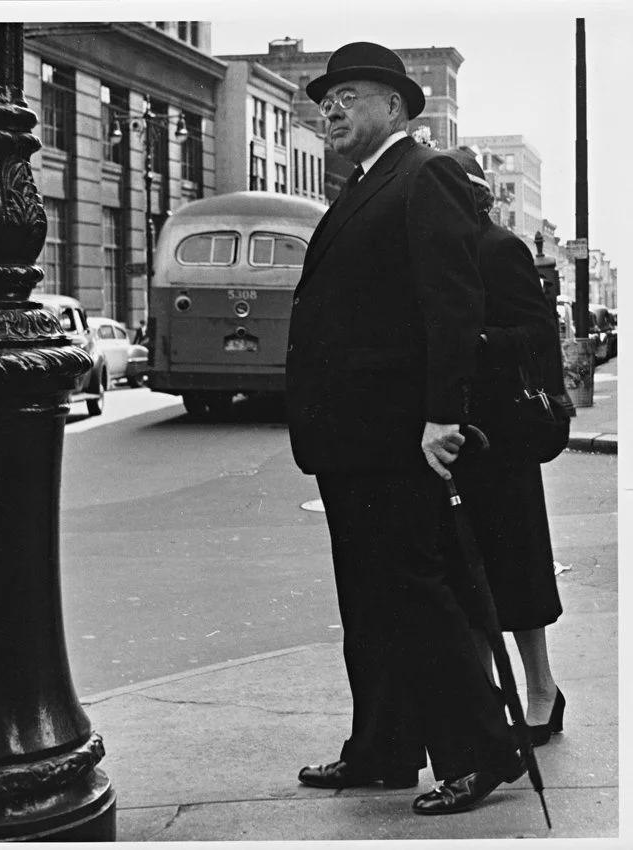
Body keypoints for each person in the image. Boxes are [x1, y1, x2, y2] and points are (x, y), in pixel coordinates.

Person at [285, 41, 524, 816]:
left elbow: (452, 303)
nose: (330, 109)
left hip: (395, 434)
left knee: (414, 593)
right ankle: (383, 751)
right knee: (371, 599)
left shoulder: (425, 175)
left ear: (392, 104)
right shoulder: (367, 183)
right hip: (352, 436)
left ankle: (482, 750)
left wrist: (443, 415)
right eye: (325, 100)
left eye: (345, 96)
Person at [442, 149, 565, 747]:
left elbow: (539, 332)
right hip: (460, 435)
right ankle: (492, 704)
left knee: (517, 572)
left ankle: (541, 690)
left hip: (506, 436)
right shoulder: (441, 255)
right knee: (470, 577)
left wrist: (478, 340)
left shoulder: (498, 248)